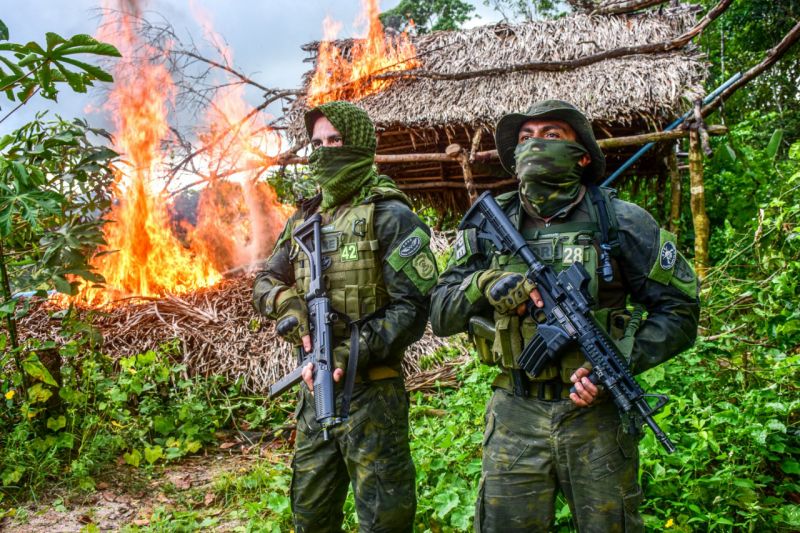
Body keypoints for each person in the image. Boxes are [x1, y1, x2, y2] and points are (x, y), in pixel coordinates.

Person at [430, 100, 700, 532]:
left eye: (552, 134)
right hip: (515, 415)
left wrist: (620, 357)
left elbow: (681, 310)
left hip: (595, 420)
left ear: (583, 154)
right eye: (525, 138)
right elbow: (441, 314)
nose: (535, 143)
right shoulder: (486, 227)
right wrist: (482, 285)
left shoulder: (620, 222)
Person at [253, 100, 436, 533]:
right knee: (311, 513)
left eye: (335, 140)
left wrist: (347, 353)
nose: (324, 150)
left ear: (359, 144)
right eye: (317, 143)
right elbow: (264, 278)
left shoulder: (390, 214)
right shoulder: (304, 219)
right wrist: (285, 303)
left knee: (383, 517)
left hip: (373, 394)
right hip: (314, 393)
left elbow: (412, 309)